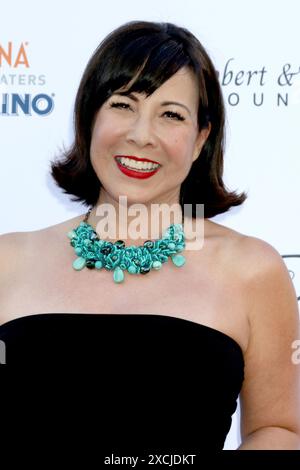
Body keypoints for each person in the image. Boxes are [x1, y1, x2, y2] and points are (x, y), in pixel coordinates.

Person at [0, 20, 299, 453]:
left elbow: (277, 429)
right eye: (123, 105)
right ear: (89, 118)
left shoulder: (252, 271)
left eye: (171, 115)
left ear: (200, 139)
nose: (141, 135)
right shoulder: (8, 261)